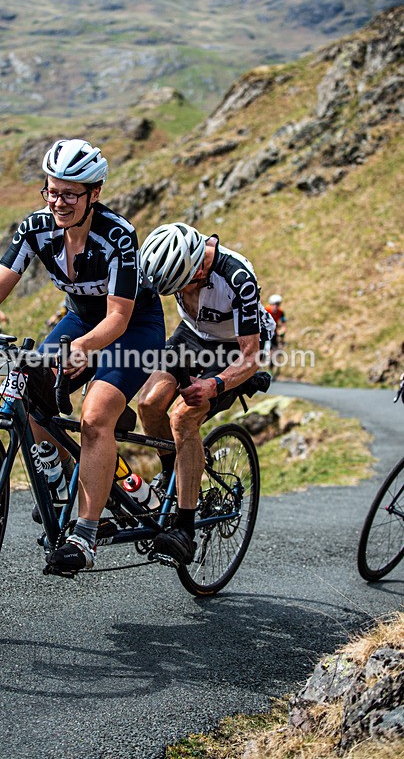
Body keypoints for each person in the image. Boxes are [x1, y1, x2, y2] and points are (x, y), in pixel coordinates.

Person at [0, 138, 165, 573]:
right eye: (51, 191)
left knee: (95, 417)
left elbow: (117, 318)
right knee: (28, 387)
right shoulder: (35, 228)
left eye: (70, 194)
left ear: (93, 194)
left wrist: (80, 350)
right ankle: (60, 484)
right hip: (79, 319)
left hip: (134, 327)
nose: (58, 202)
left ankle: (85, 533)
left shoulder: (116, 235)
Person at [137, 222, 274, 566]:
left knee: (182, 417)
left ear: (198, 267)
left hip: (234, 347)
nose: (179, 295)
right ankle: (173, 477)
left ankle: (185, 528)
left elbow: (250, 356)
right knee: (149, 404)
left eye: (181, 287)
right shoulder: (165, 263)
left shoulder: (237, 279)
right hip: (193, 336)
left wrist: (214, 385)